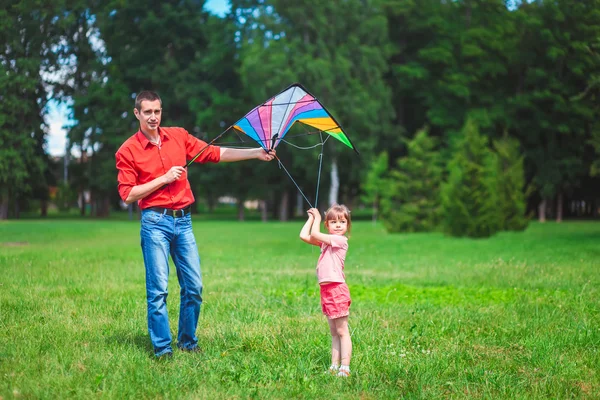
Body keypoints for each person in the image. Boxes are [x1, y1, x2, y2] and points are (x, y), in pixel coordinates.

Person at [115, 90, 275, 358]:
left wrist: (256, 152)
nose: (153, 117)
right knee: (158, 292)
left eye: (157, 111)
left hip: (184, 223)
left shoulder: (178, 136)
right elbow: (128, 194)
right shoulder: (127, 150)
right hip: (155, 223)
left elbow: (214, 153)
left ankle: (187, 343)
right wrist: (164, 178)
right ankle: (163, 350)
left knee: (194, 287)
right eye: (147, 112)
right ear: (137, 114)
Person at [299, 204, 353, 377]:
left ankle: (345, 367)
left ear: (347, 225)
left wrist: (318, 219)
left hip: (337, 289)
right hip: (327, 291)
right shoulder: (325, 243)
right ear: (327, 226)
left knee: (342, 331)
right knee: (334, 332)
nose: (338, 225)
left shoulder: (340, 240)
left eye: (342, 222)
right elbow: (304, 236)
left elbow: (314, 234)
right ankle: (333, 366)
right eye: (333, 222)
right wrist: (311, 219)